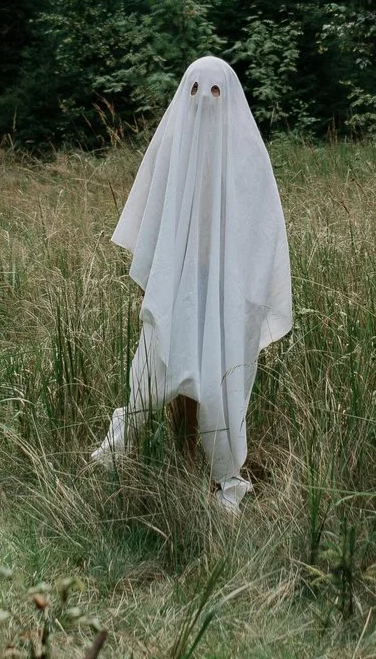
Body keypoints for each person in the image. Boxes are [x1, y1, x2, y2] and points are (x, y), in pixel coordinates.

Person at [90, 56, 292, 512]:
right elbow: (152, 218)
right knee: (160, 366)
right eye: (196, 90)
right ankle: (159, 457)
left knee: (218, 379)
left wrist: (248, 297)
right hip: (176, 281)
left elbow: (262, 230)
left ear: (231, 96)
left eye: (217, 91)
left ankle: (222, 476)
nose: (206, 101)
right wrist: (157, 284)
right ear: (185, 94)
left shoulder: (247, 155)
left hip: (227, 289)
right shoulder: (171, 148)